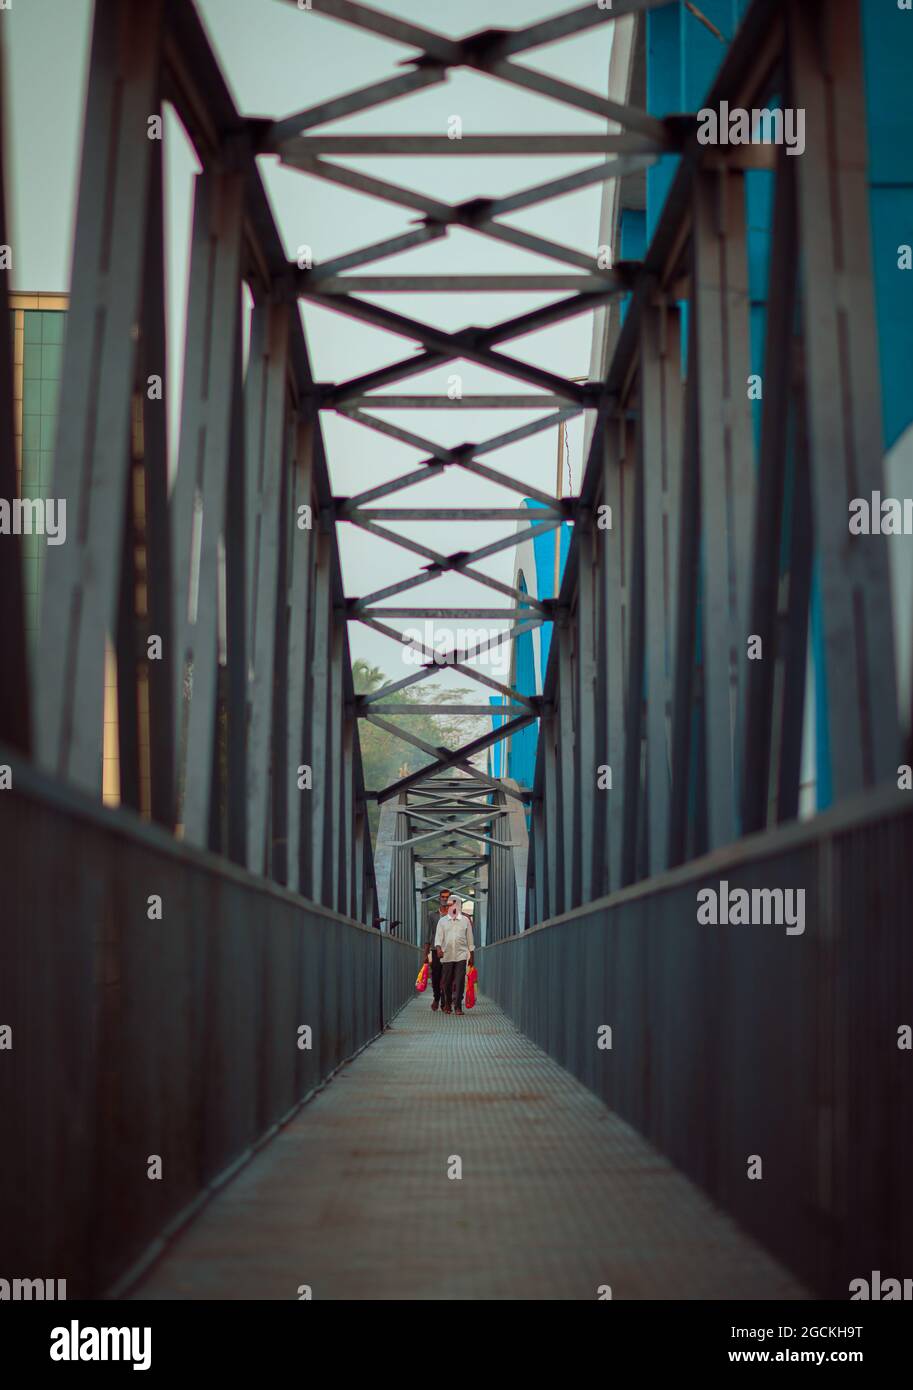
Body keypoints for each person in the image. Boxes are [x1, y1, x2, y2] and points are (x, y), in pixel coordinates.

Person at [434, 894, 475, 1016]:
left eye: (451, 904)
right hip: (447, 955)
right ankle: (447, 1003)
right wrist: (438, 949)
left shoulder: (465, 921)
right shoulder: (442, 921)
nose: (449, 907)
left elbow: (470, 939)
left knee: (460, 980)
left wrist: (472, 955)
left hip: (461, 955)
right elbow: (438, 938)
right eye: (448, 905)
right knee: (446, 982)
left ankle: (458, 1006)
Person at [426, 890, 451, 1011]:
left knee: (447, 976)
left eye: (447, 897)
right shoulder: (432, 915)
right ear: (439, 898)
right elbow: (428, 934)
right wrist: (426, 953)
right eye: (443, 897)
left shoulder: (454, 914)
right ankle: (436, 998)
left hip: (450, 950)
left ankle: (444, 1001)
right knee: (436, 976)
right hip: (436, 949)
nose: (445, 899)